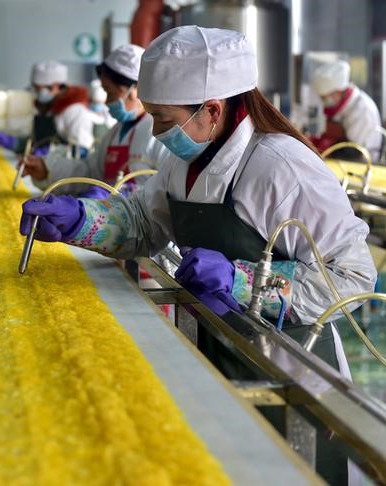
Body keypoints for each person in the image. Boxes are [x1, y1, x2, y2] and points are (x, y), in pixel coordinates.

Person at [19, 26, 375, 484]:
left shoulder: (279, 167)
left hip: (291, 368)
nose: (157, 131)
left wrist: (242, 280)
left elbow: (352, 276)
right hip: (218, 344)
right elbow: (146, 224)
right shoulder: (183, 159)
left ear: (211, 109)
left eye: (164, 119)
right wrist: (81, 220)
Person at [19, 44, 170, 198]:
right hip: (113, 219)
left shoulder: (159, 135)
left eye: (110, 93)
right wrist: (47, 169)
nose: (106, 102)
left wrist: (114, 197)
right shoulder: (116, 132)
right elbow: (90, 172)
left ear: (136, 89)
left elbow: (163, 194)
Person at [0, 60, 97, 157]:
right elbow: (39, 142)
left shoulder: (75, 111)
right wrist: (15, 143)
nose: (36, 94)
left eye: (38, 89)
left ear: (55, 86)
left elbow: (82, 149)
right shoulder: (49, 109)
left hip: (66, 175)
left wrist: (51, 152)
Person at [311, 60, 382, 162]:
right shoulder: (342, 107)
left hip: (361, 166)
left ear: (339, 91)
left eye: (325, 98)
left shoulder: (362, 109)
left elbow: (353, 152)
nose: (325, 102)